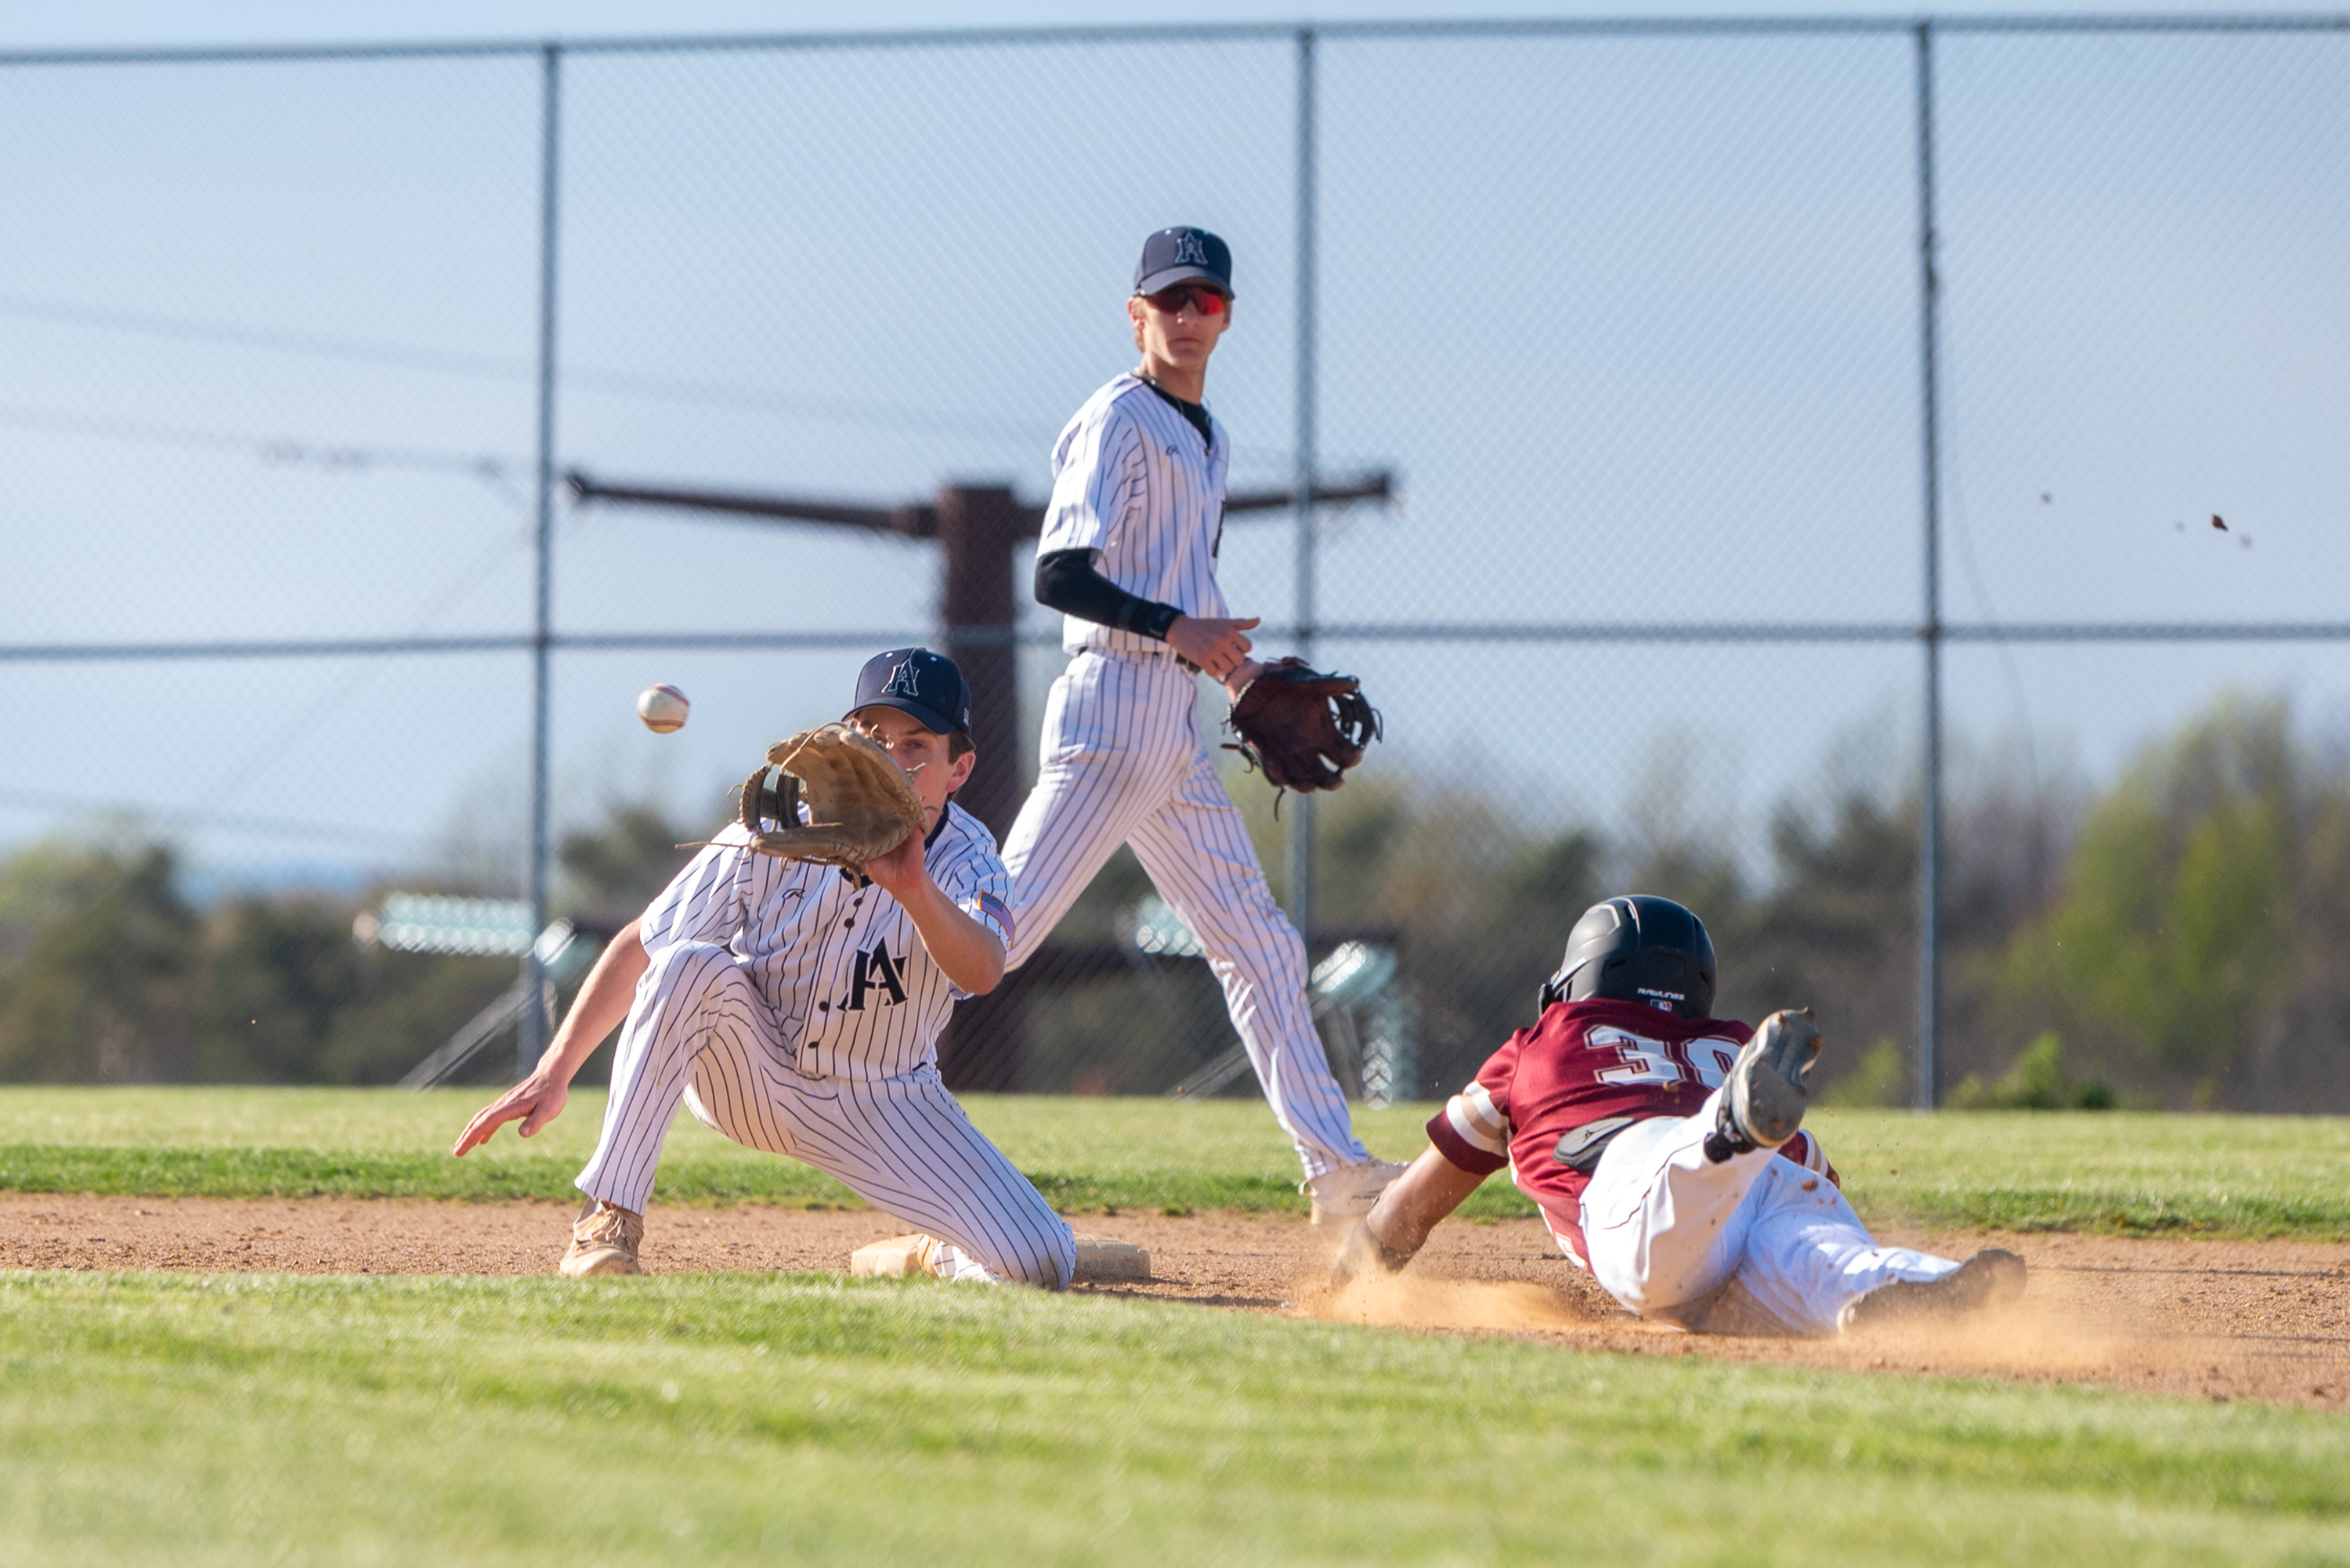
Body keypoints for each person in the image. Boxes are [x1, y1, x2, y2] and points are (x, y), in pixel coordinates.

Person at [1000, 225, 1401, 1223]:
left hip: (1170, 724)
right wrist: (1177, 626)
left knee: (1260, 947)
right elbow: (1058, 572)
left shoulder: (1208, 436)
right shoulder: (1117, 420)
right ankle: (813, 998)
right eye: (1170, 300)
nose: (1188, 317)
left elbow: (1185, 590)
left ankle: (1336, 1172)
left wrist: (1231, 667)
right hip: (1108, 711)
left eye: (1206, 302)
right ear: (1136, 314)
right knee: (991, 937)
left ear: (1225, 316)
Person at [453, 648, 1076, 1288]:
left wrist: (913, 888)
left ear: (958, 769)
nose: (892, 758)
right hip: (754, 1073)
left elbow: (983, 970)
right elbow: (646, 942)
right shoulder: (779, 826)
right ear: (845, 742)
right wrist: (554, 1071)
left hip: (885, 1101)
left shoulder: (970, 857)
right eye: (873, 736)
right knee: (689, 964)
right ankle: (608, 1219)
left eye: (916, 744)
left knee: (1044, 1263)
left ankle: (931, 1251)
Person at [1331, 895, 2026, 1335]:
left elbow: (1411, 1208)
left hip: (1639, 1183)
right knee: (1826, 1262)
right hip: (1766, 1182)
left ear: (1577, 980)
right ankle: (1911, 1279)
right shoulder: (1723, 1041)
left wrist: (1347, 1278)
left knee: (1677, 1187)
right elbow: (1818, 1173)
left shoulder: (1539, 1044)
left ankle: (1727, 1136)